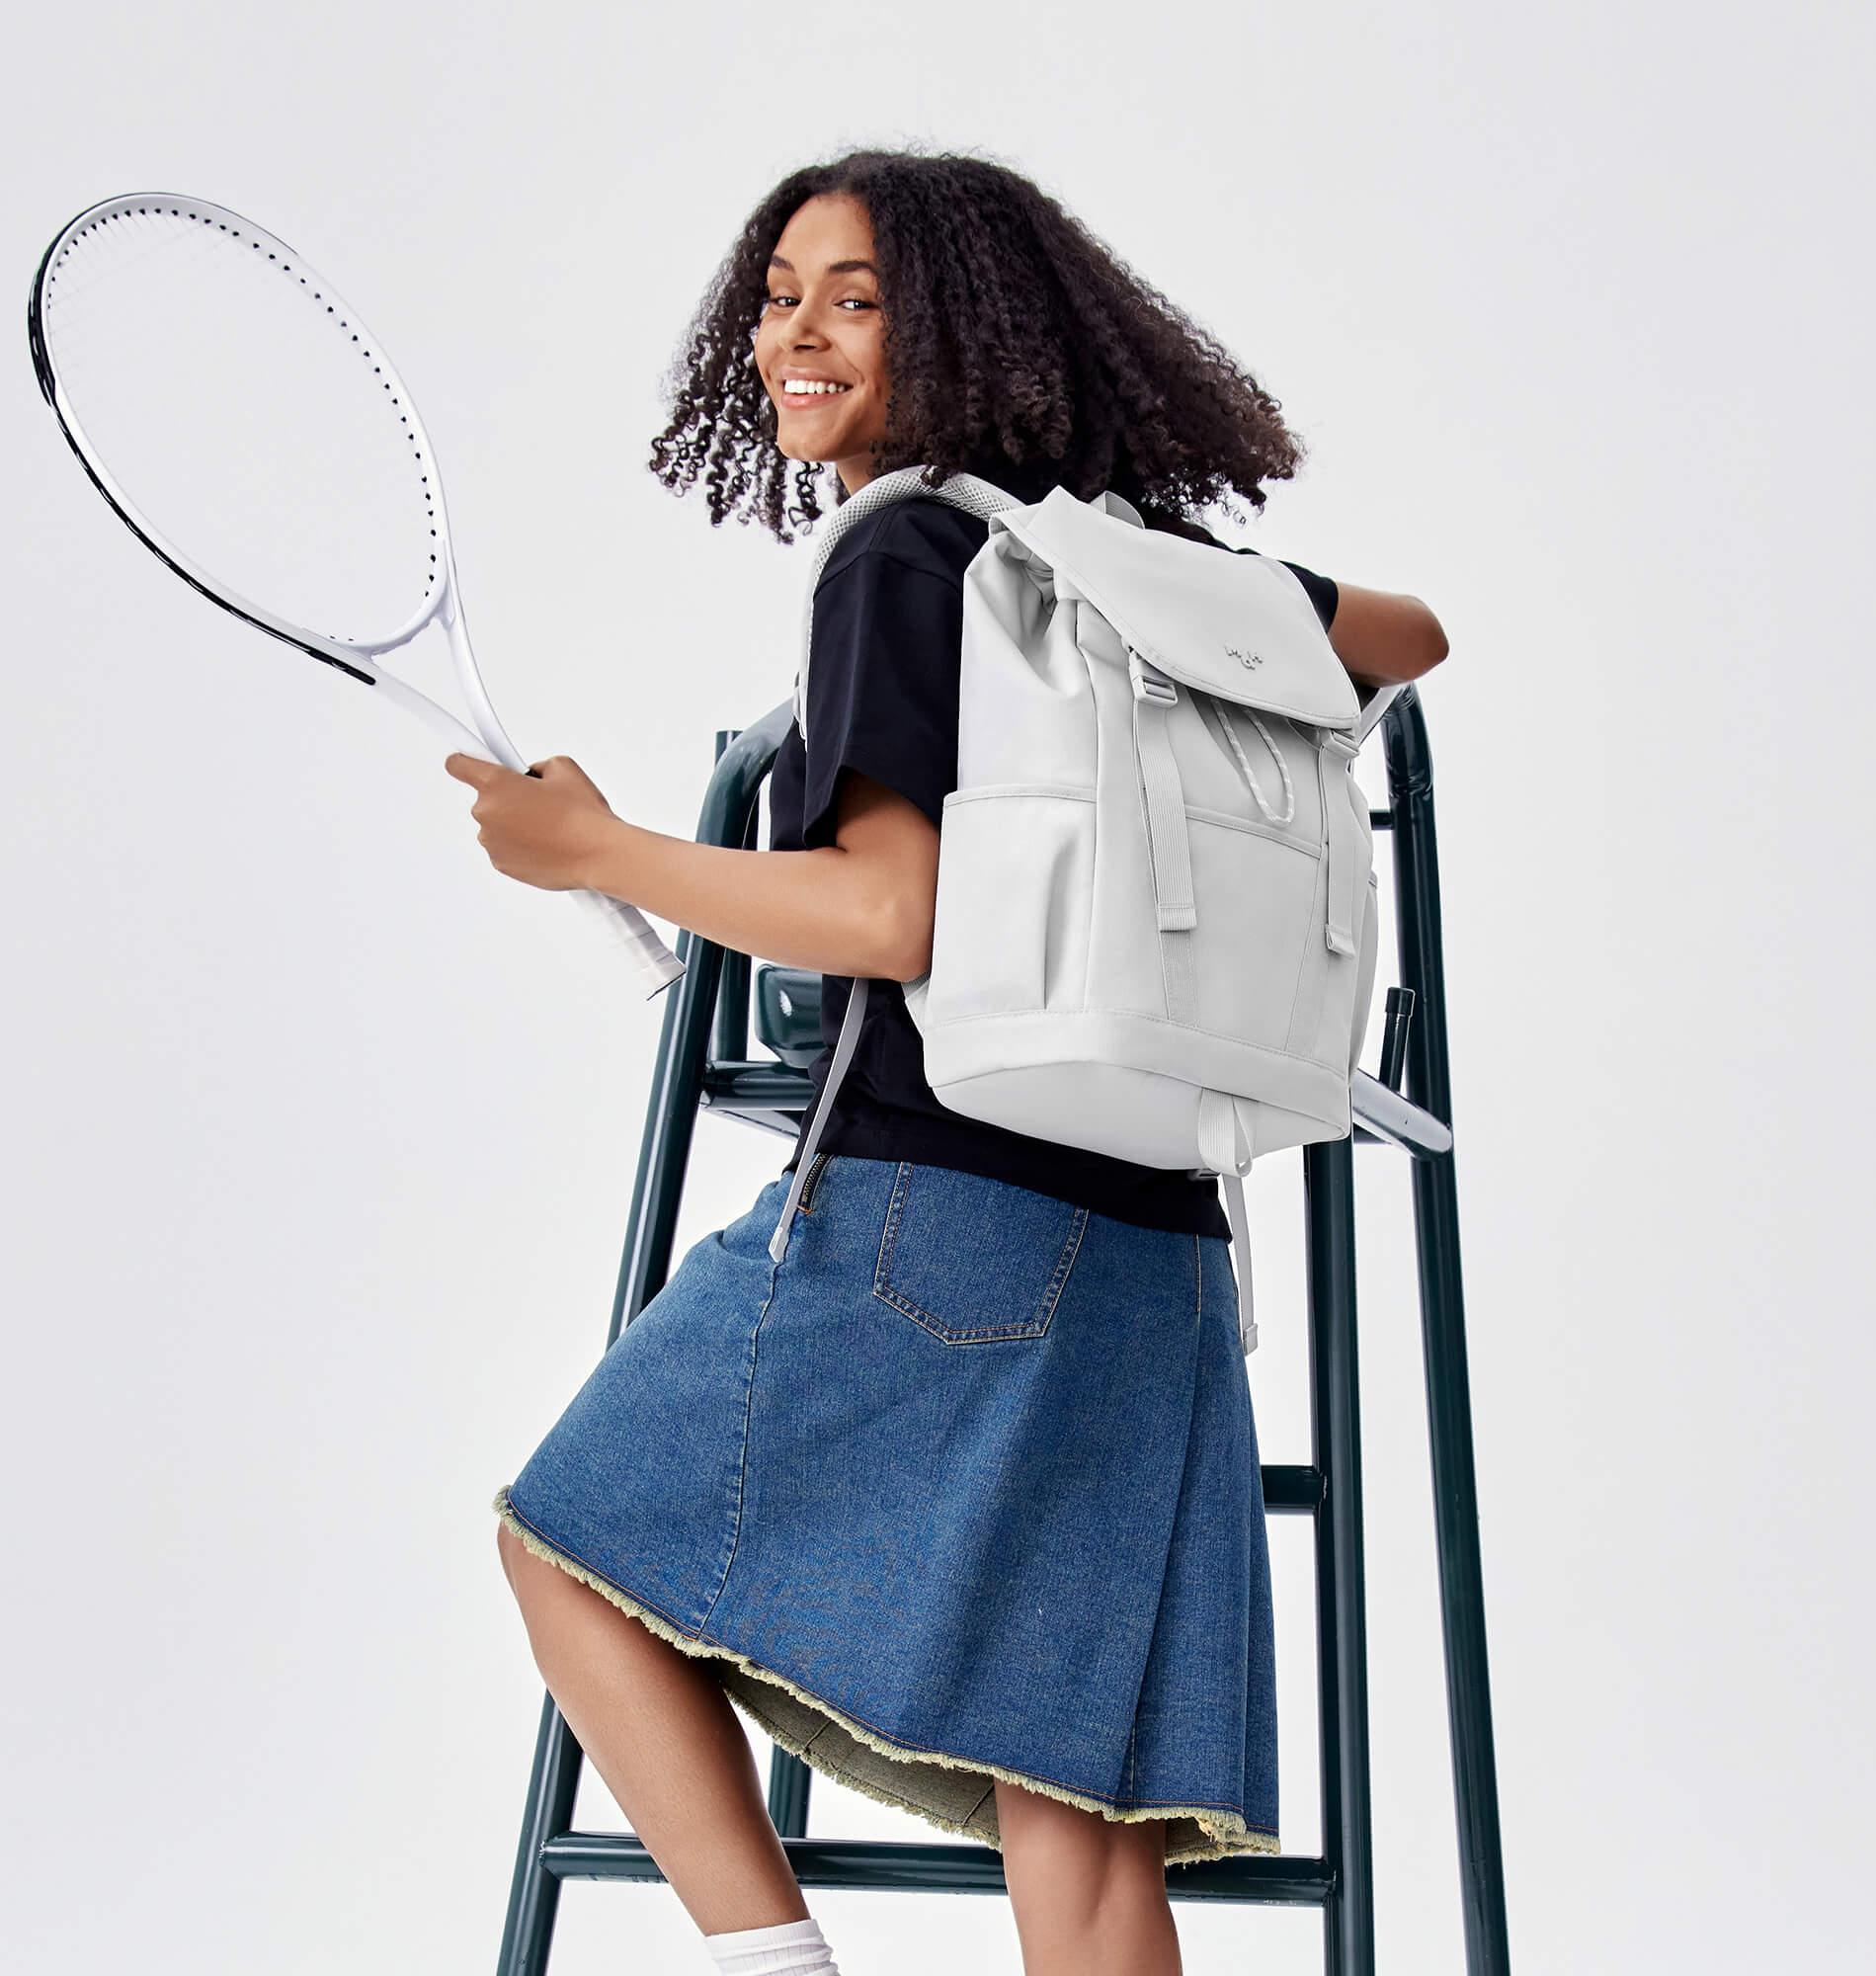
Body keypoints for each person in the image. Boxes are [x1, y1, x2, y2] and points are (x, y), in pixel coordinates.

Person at [447, 146, 1448, 1976]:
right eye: (777, 299)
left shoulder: (905, 549)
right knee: (1075, 1822)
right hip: (1160, 1247)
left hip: (940, 1216)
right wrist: (1166, 575)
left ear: (967, 333)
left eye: (856, 301)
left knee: (565, 1543)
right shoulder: (1108, 563)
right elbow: (1412, 637)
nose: (794, 340)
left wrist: (600, 853)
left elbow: (887, 913)